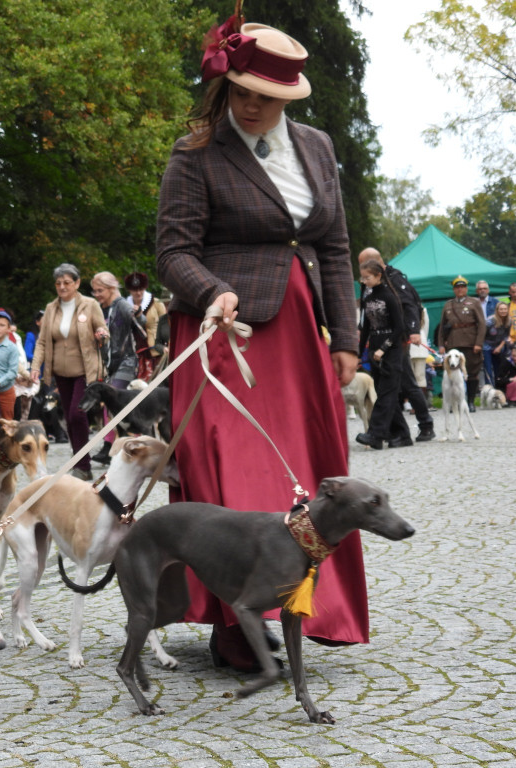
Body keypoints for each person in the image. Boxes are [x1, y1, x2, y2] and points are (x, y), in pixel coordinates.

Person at [155, 18, 368, 670]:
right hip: (223, 334)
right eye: (241, 92)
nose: (251, 106)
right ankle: (233, 622)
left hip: (298, 334)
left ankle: (308, 607)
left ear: (288, 96)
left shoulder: (316, 146)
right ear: (224, 86)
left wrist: (345, 336)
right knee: (232, 473)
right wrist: (213, 291)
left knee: (303, 474)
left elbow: (333, 245)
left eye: (266, 97)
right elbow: (173, 252)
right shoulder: (195, 153)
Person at [30, 263, 107, 481]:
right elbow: (42, 342)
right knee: (70, 417)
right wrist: (35, 366)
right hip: (60, 373)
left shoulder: (90, 305)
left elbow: (102, 328)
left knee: (76, 414)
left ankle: (83, 464)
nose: (62, 287)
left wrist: (102, 334)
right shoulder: (51, 308)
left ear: (77, 283)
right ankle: (80, 463)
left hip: (85, 371)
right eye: (58, 283)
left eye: (67, 282)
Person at [357, 248, 434, 441]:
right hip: (378, 339)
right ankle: (397, 431)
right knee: (387, 386)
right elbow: (366, 310)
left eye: (363, 266)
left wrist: (414, 330)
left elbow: (409, 304)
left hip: (396, 339)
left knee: (406, 383)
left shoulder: (394, 279)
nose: (363, 277)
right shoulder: (369, 282)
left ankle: (425, 425)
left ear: (375, 264)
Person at [355, 262, 411, 449]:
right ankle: (402, 434)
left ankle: (375, 434)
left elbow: (400, 328)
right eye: (362, 277)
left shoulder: (389, 297)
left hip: (391, 351)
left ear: (378, 276)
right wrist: (359, 353)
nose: (364, 281)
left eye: (367, 277)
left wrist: (384, 348)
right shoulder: (368, 298)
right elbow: (366, 328)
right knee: (386, 394)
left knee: (386, 394)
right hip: (374, 350)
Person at [89, 271, 137, 466]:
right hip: (111, 364)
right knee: (110, 403)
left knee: (115, 401)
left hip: (128, 361)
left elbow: (141, 326)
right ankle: (112, 446)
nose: (97, 294)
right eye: (94, 291)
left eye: (100, 290)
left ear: (111, 288)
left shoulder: (123, 306)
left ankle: (115, 446)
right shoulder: (103, 308)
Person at [438, 275, 486, 411]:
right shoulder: (448, 304)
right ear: (454, 289)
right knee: (452, 374)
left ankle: (470, 402)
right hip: (453, 344)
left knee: (472, 373)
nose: (460, 289)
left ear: (466, 288)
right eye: (457, 287)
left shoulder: (474, 302)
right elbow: (442, 326)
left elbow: (482, 324)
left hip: (470, 343)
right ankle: (455, 403)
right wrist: (441, 344)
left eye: (462, 287)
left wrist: (479, 343)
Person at [124, 271, 167, 382]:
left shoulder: (157, 303)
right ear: (129, 290)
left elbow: (166, 326)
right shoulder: (124, 306)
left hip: (155, 350)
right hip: (134, 351)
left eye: (141, 289)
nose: (138, 293)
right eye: (135, 290)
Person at [484, 300, 512, 387]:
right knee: (488, 369)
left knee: (499, 369)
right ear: (497, 310)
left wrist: (500, 347)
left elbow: (506, 335)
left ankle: (498, 388)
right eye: (501, 309)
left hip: (499, 346)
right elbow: (482, 335)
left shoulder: (509, 321)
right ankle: (489, 388)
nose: (503, 311)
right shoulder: (490, 321)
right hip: (486, 346)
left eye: (505, 309)